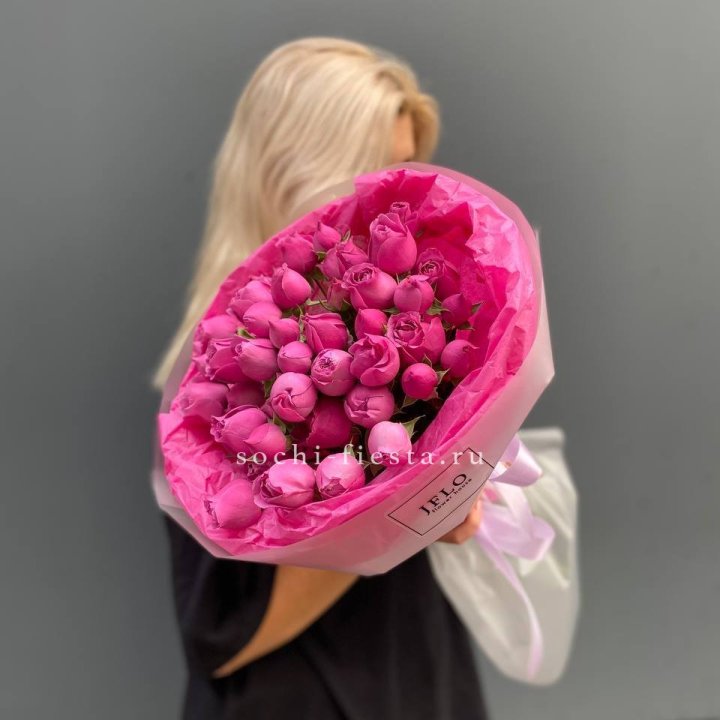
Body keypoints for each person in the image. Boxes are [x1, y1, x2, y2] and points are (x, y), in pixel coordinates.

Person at [152, 36, 491, 719]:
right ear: (294, 172)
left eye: (405, 170)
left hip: (415, 669)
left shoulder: (409, 323)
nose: (399, 201)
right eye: (376, 171)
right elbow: (221, 637)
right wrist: (401, 502)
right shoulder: (218, 373)